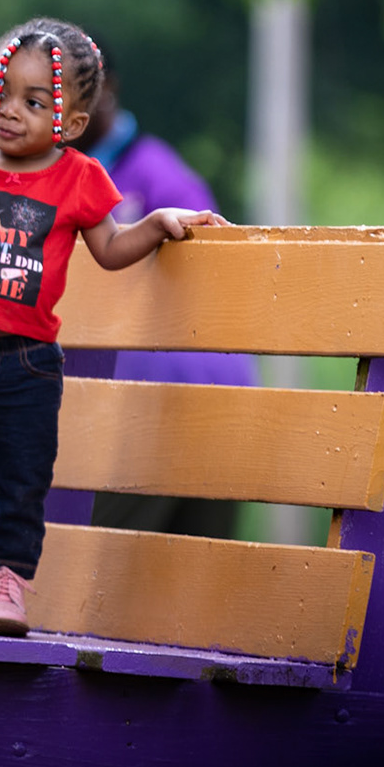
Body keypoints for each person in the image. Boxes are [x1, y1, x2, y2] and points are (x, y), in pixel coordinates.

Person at [0, 17, 225, 637]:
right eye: (0, 93)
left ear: (74, 123)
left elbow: (108, 249)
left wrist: (157, 221)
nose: (9, 111)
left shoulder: (79, 179)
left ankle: (7, 586)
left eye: (33, 101)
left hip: (25, 365)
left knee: (19, 481)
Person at [71, 36, 256, 540]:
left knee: (117, 564)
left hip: (182, 396)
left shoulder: (160, 176)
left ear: (107, 88)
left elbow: (216, 273)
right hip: (122, 400)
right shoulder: (57, 174)